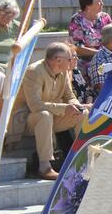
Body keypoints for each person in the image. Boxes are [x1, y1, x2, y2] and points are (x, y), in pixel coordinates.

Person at [12, 43, 89, 180]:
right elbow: (35, 106)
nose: (72, 61)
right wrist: (64, 108)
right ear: (58, 60)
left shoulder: (64, 71)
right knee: (44, 115)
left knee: (82, 114)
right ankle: (45, 167)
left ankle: (81, 161)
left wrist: (77, 106)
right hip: (27, 120)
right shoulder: (34, 71)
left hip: (52, 117)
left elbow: (69, 96)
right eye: (70, 58)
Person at [67, 0, 112, 76]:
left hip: (107, 58)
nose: (102, 4)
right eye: (99, 1)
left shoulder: (105, 17)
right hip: (86, 61)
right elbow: (78, 48)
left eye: (102, 0)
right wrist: (100, 54)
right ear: (88, 5)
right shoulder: (77, 20)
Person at [0, 0, 20, 75]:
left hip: (14, 64)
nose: (5, 18)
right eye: (2, 15)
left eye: (9, 16)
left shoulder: (17, 26)